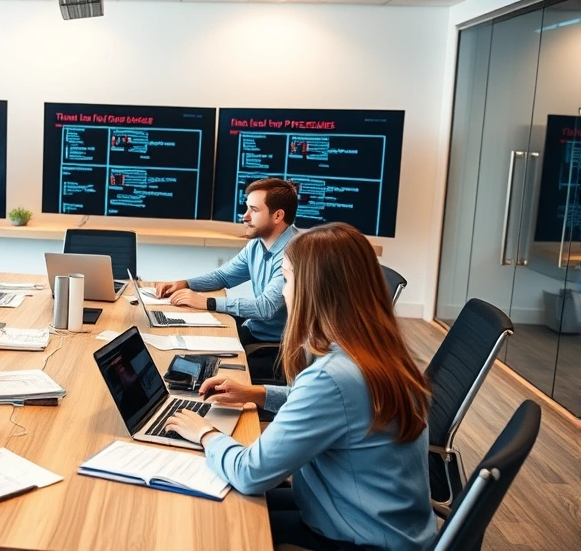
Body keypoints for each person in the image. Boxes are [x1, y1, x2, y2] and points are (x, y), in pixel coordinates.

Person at [165, 223, 435, 551]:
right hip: (383, 524)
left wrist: (204, 433)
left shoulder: (331, 376)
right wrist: (257, 393)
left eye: (288, 278)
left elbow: (250, 473)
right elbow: (342, 406)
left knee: (212, 530)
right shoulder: (377, 352)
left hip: (358, 538)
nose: (282, 291)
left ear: (313, 288)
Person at [155, 178, 298, 379]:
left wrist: (207, 302)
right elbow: (223, 276)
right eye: (246, 208)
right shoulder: (257, 245)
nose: (245, 216)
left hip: (279, 349)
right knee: (190, 350)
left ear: (278, 216)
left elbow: (265, 308)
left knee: (204, 373)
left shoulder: (294, 254)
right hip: (254, 329)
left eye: (254, 210)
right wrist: (185, 283)